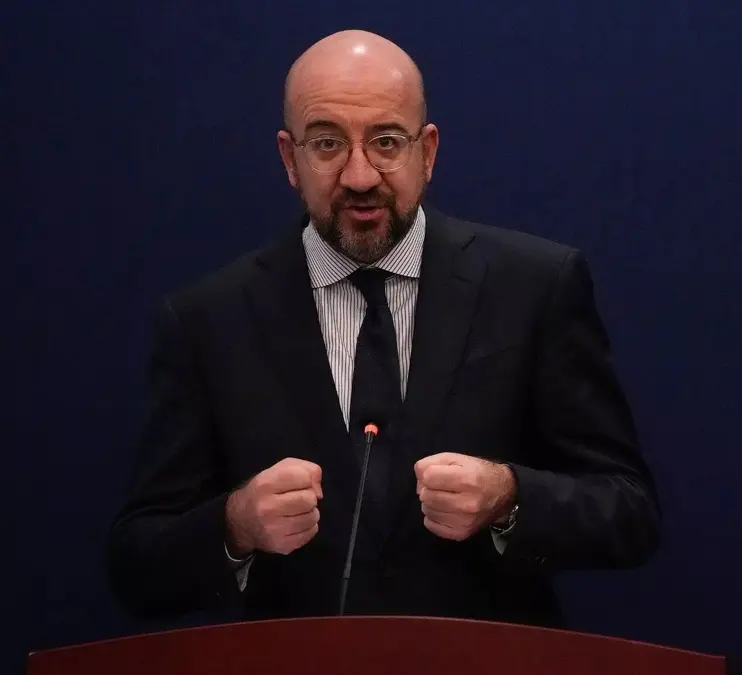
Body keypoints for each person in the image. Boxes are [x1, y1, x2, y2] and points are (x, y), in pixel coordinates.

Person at [106, 29, 660, 627]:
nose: (360, 175)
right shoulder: (209, 320)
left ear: (428, 152)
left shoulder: (535, 287)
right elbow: (138, 565)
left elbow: (629, 512)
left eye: (387, 142)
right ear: (290, 160)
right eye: (327, 144)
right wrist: (235, 525)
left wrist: (509, 497)